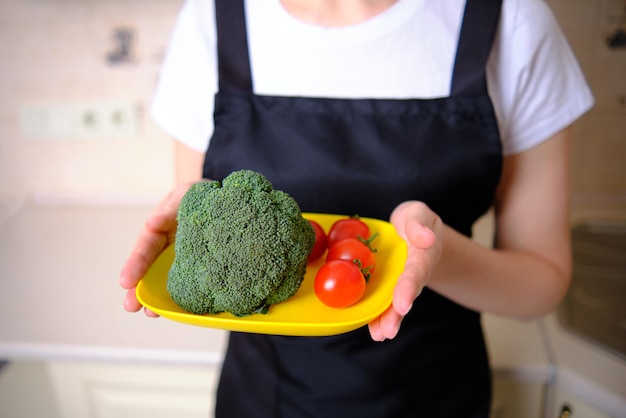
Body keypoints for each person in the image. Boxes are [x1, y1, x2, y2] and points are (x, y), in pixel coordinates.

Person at [119, 0, 594, 416]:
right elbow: (200, 211)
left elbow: (542, 283)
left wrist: (438, 252)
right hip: (264, 397)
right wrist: (189, 222)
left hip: (435, 393)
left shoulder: (515, 23)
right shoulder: (210, 18)